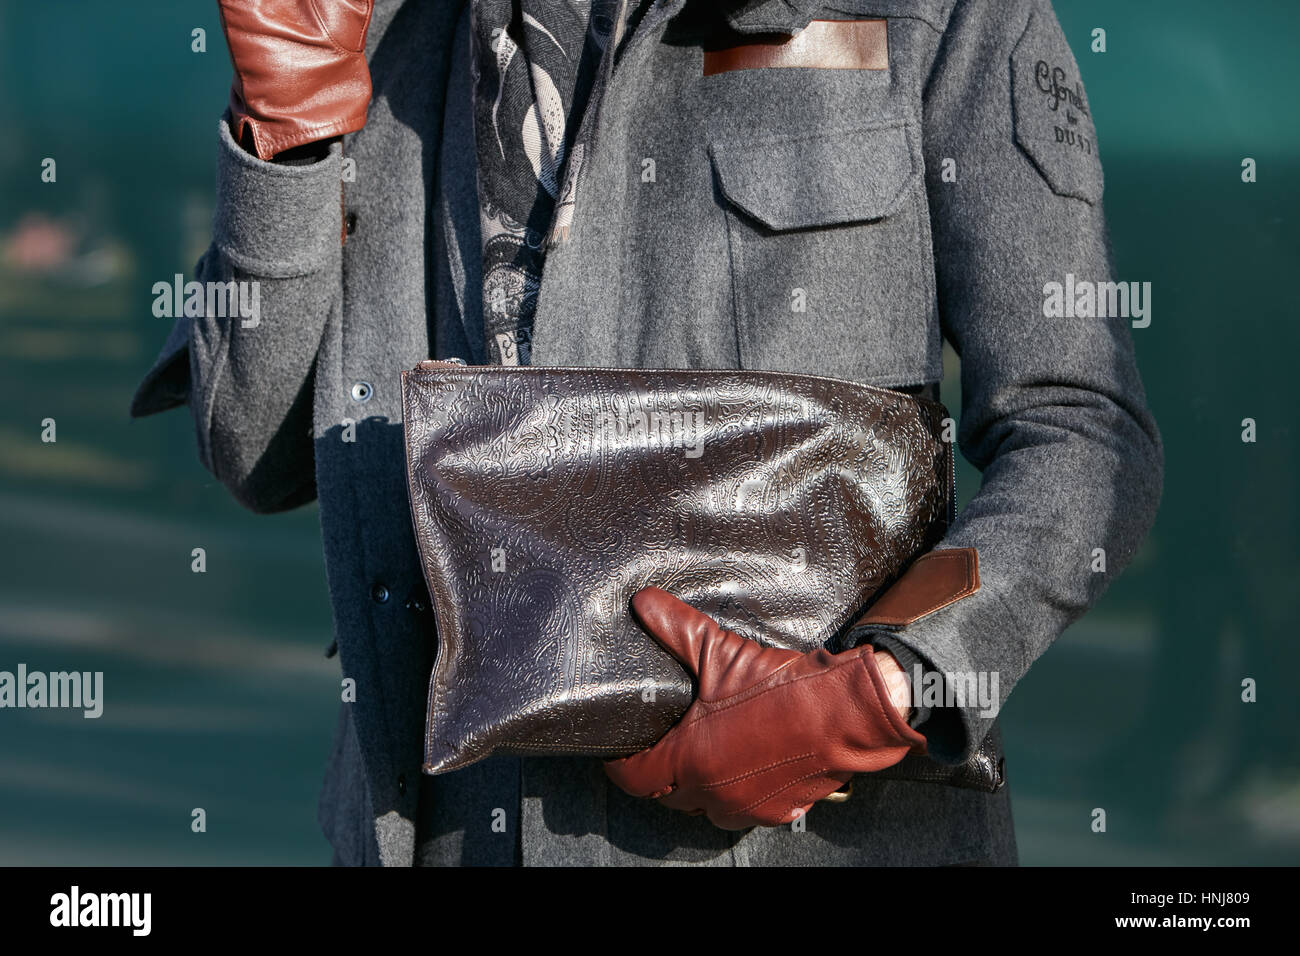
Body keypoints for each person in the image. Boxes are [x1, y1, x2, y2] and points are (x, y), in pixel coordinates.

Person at [131, 0, 1162, 866]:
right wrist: (288, 130)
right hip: (443, 827)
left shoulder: (944, 14)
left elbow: (1081, 433)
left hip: (805, 840)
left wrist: (895, 680)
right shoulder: (382, 33)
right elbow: (254, 449)